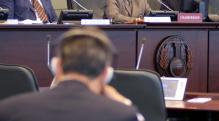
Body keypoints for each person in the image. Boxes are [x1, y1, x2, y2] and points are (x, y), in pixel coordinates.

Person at [0, 27, 143, 121]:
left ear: (56, 66)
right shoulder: (121, 114)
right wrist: (126, 104)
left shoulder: (8, 109)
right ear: (107, 74)